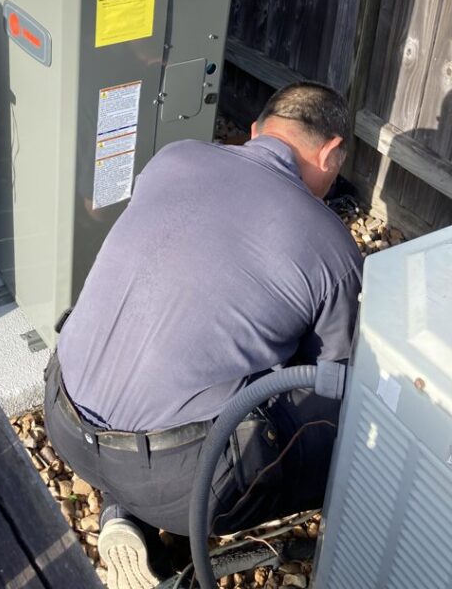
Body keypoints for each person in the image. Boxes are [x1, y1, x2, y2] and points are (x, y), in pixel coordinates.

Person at [44, 82, 363, 589]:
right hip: (181, 483)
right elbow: (322, 376)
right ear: (329, 152)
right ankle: (354, 548)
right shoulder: (332, 244)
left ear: (258, 132)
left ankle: (123, 514)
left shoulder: (175, 157)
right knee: (349, 413)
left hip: (62, 414)